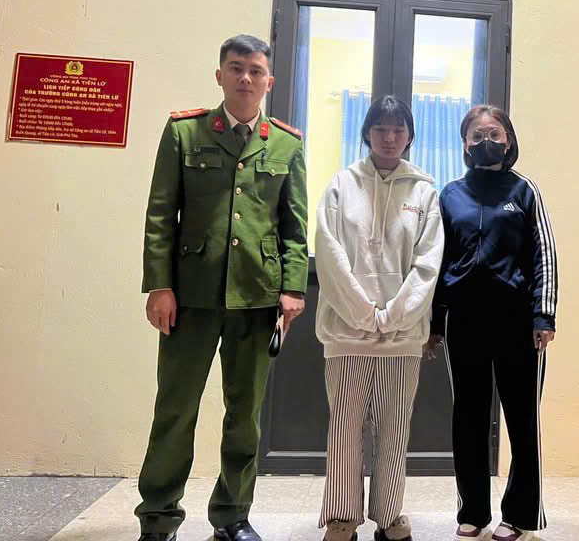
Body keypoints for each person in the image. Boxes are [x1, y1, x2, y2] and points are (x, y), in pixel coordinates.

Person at [135, 34, 308, 541]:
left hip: (257, 297)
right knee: (175, 410)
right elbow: (161, 214)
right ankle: (158, 517)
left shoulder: (286, 143)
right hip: (190, 296)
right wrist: (159, 286)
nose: (245, 78)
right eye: (236, 68)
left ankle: (232, 516)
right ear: (219, 75)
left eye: (255, 70)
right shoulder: (184, 132)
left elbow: (294, 226)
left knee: (244, 417)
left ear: (269, 81)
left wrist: (293, 288)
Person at [314, 95, 444, 541]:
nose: (389, 137)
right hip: (346, 334)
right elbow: (329, 256)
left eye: (398, 129)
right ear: (367, 132)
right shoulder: (340, 185)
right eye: (381, 128)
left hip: (402, 338)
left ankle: (390, 516)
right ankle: (342, 516)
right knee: (345, 429)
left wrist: (392, 317)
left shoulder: (424, 192)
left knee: (394, 430)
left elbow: (428, 265)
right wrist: (363, 313)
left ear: (410, 136)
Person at [427, 105, 559, 541]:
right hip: (464, 320)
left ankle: (520, 515)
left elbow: (544, 254)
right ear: (465, 144)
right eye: (477, 135)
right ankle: (472, 512)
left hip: (518, 321)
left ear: (508, 140)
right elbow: (438, 261)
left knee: (522, 418)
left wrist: (544, 314)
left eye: (494, 133)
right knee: (468, 416)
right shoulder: (450, 195)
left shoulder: (525, 191)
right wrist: (435, 323)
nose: (486, 141)